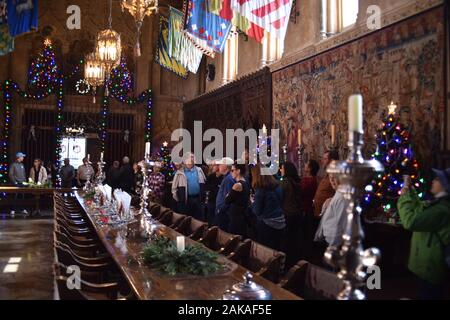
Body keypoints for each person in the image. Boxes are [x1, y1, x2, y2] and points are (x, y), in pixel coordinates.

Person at [397, 169, 450, 300]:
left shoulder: (441, 210)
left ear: (445, 185)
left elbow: (411, 221)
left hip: (431, 268)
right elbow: (420, 207)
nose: (433, 181)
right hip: (427, 267)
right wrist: (410, 191)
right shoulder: (438, 203)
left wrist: (404, 198)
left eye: (437, 179)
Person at [251, 164, 286, 250]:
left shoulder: (260, 191)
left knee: (266, 251)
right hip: (280, 221)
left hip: (267, 224)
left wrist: (252, 202)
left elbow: (257, 211)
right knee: (278, 249)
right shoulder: (277, 186)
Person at [314, 175, 349, 249]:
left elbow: (340, 226)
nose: (332, 180)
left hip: (333, 244)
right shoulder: (337, 194)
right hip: (328, 240)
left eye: (335, 176)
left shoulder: (342, 198)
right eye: (330, 177)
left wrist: (332, 248)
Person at [280, 161, 303, 268]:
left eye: (282, 168)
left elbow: (279, 198)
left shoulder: (284, 183)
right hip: (297, 214)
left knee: (286, 241)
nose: (280, 170)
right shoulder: (297, 181)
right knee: (294, 240)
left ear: (286, 171)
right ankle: (295, 263)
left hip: (287, 214)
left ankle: (287, 265)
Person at [171, 153, 206, 220]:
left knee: (198, 220)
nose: (191, 160)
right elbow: (174, 188)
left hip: (198, 199)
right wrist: (179, 199)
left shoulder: (199, 170)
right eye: (189, 158)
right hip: (185, 201)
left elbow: (204, 182)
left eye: (192, 157)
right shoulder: (179, 172)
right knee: (185, 221)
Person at [225, 163, 250, 237]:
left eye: (232, 170)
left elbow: (227, 200)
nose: (231, 172)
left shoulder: (237, 185)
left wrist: (228, 194)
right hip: (242, 215)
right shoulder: (245, 182)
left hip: (236, 217)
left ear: (238, 171)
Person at [313, 150, 339, 218]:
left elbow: (338, 193)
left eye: (325, 159)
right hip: (319, 212)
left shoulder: (335, 175)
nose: (322, 161)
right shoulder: (327, 174)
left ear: (332, 160)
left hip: (327, 214)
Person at [214, 157, 235, 229]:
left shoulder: (228, 179)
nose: (218, 166)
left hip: (224, 213)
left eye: (220, 164)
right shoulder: (227, 177)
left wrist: (220, 209)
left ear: (225, 166)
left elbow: (228, 198)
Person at [205, 160, 223, 225]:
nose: (212, 167)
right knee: (210, 221)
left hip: (219, 203)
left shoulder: (223, 177)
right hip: (211, 202)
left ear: (219, 166)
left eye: (214, 165)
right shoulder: (211, 176)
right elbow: (206, 187)